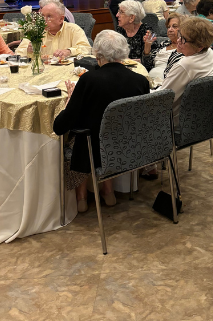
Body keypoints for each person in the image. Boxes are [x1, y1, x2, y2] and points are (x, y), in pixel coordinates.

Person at [53, 30, 150, 212]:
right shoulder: (140, 80)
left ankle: (81, 197)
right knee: (101, 124)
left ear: (97, 54)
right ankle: (108, 190)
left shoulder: (89, 80)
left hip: (95, 149)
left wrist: (70, 100)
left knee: (78, 133)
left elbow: (60, 126)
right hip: (128, 146)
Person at [160, 17, 213, 125]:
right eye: (180, 35)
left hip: (177, 123)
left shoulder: (185, 65)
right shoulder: (209, 52)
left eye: (183, 39)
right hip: (205, 118)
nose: (178, 41)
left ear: (199, 46)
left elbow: (161, 98)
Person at [16, 0, 91, 58]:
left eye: (49, 16)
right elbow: (18, 53)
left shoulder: (73, 29)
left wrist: (69, 51)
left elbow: (86, 49)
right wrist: (27, 51)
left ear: (61, 19)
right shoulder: (35, 30)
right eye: (42, 16)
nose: (44, 20)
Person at [141, 13, 185, 80]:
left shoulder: (185, 48)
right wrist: (147, 46)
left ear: (184, 28)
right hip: (150, 78)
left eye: (174, 26)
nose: (170, 30)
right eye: (168, 27)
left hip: (167, 80)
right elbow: (147, 65)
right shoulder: (164, 44)